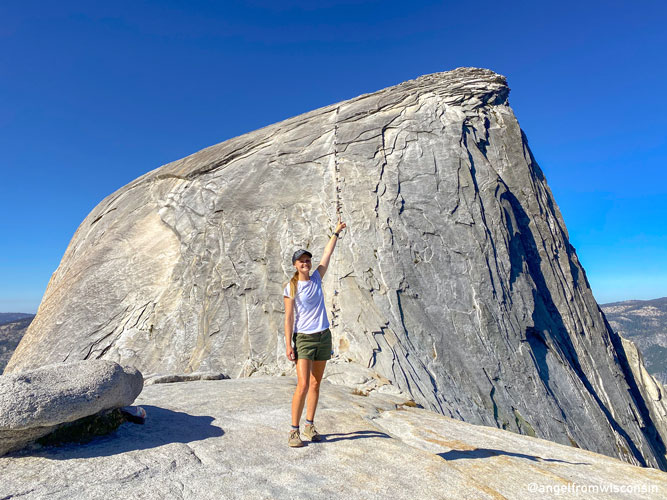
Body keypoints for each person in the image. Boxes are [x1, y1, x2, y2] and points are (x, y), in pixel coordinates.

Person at [283, 220, 347, 447]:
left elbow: (327, 255)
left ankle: (309, 425)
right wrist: (289, 344)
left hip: (323, 336)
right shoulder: (291, 287)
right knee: (302, 384)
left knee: (316, 384)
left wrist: (336, 233)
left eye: (307, 260)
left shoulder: (317, 277)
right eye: (301, 261)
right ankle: (294, 431)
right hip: (304, 338)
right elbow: (289, 317)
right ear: (295, 265)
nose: (306, 263)